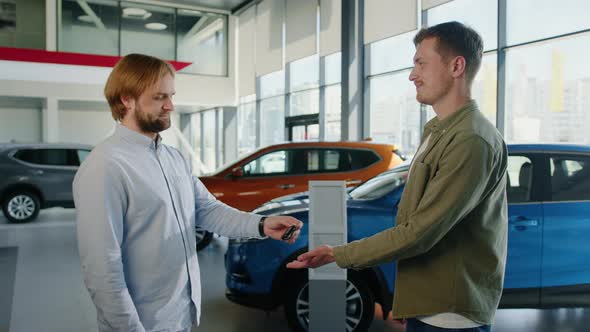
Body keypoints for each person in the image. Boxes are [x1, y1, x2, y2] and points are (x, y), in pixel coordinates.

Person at [287, 21, 508, 332]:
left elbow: (420, 232)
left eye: (421, 63)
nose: (412, 75)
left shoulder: (471, 140)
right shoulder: (438, 130)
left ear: (457, 66)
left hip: (450, 317)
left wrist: (337, 254)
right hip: (428, 305)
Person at [74, 53, 303, 332]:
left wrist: (261, 225)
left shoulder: (173, 158)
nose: (170, 106)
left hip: (181, 313)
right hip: (143, 323)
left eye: (171, 95)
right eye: (159, 97)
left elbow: (207, 210)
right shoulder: (105, 166)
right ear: (126, 99)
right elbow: (101, 269)